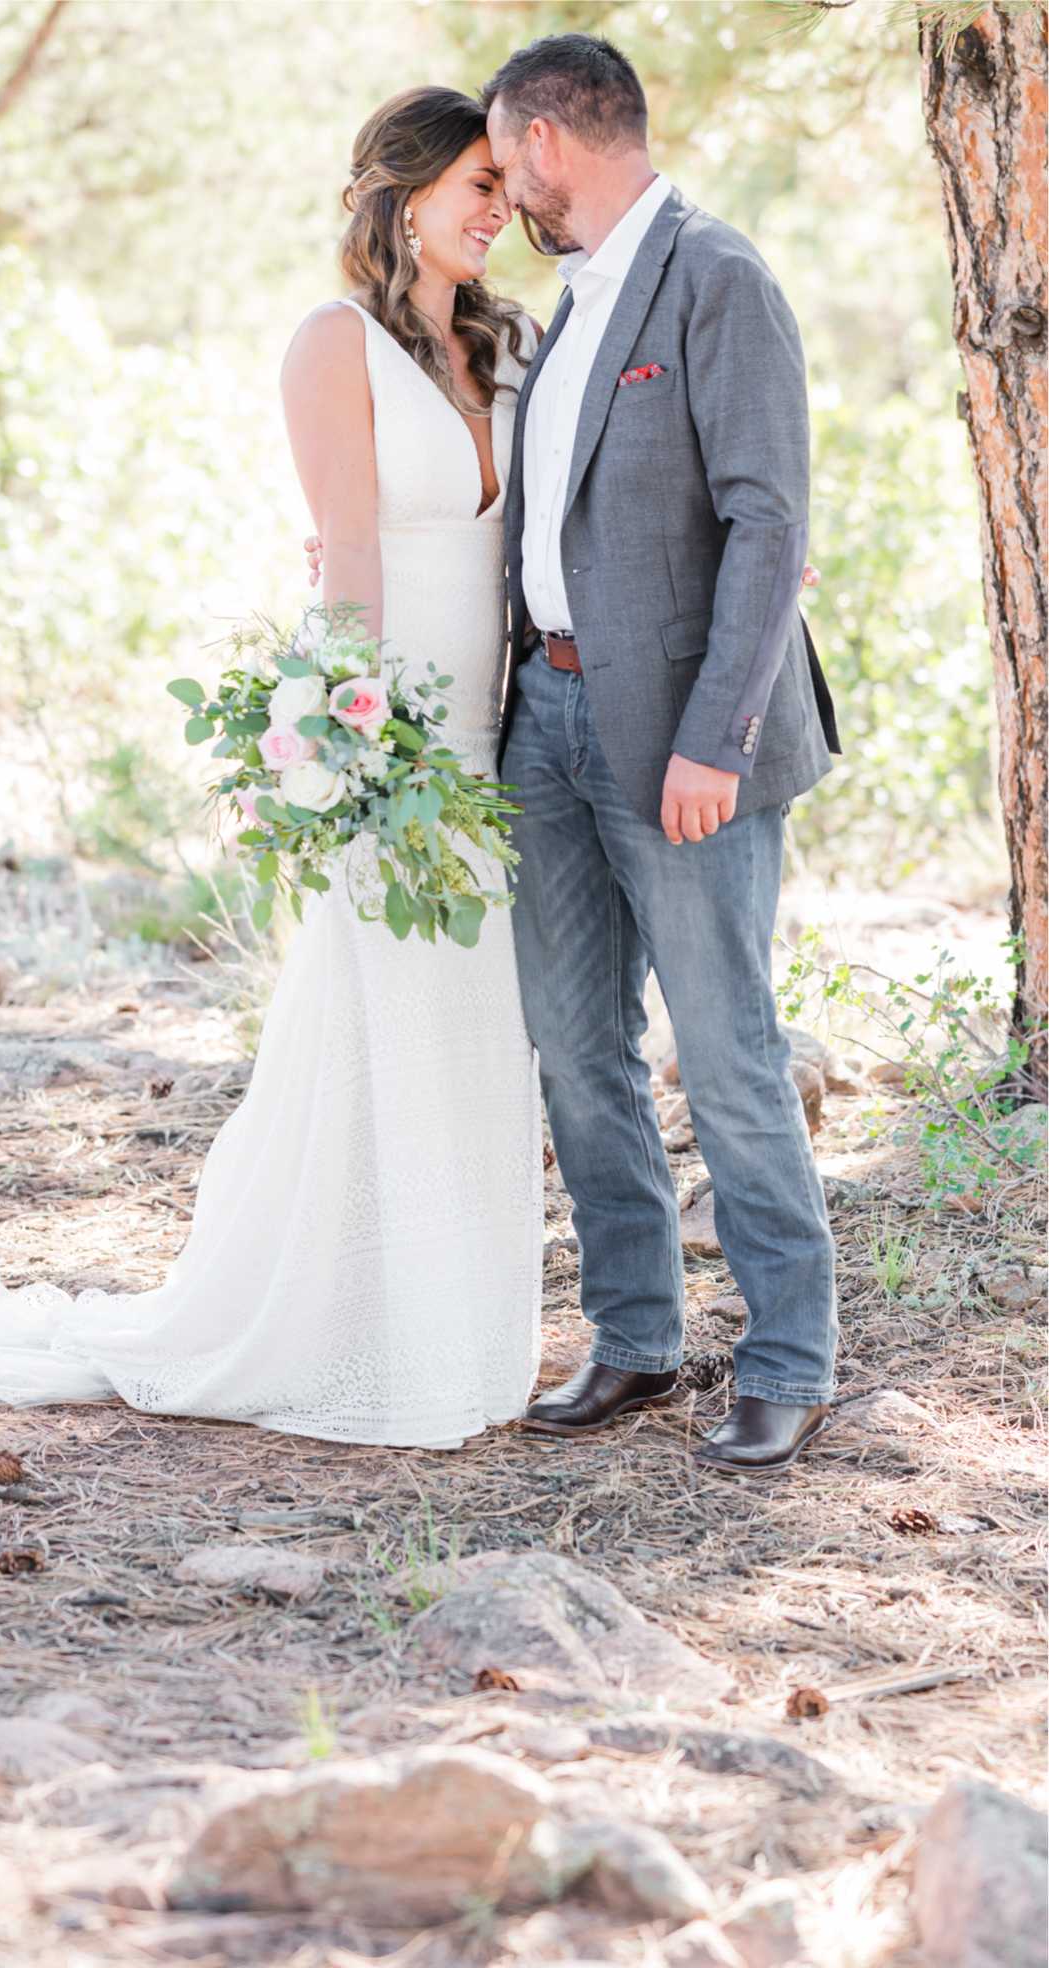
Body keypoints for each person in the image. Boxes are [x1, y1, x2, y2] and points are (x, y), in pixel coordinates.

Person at [0, 86, 545, 1450]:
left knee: (481, 1042)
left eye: (503, 185)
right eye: (477, 181)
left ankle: (461, 1330)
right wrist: (352, 744)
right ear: (403, 194)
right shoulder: (330, 345)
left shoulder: (506, 342)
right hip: (395, 741)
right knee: (388, 1020)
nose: (500, 207)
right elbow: (347, 546)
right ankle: (358, 1334)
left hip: (501, 739)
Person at [483, 35, 840, 1475]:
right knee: (577, 1051)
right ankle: (636, 1338)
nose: (507, 193)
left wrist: (717, 740)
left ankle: (790, 1357)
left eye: (508, 164)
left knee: (728, 1053)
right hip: (546, 729)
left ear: (550, 142)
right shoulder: (568, 305)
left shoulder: (721, 277)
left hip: (686, 742)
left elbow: (771, 524)